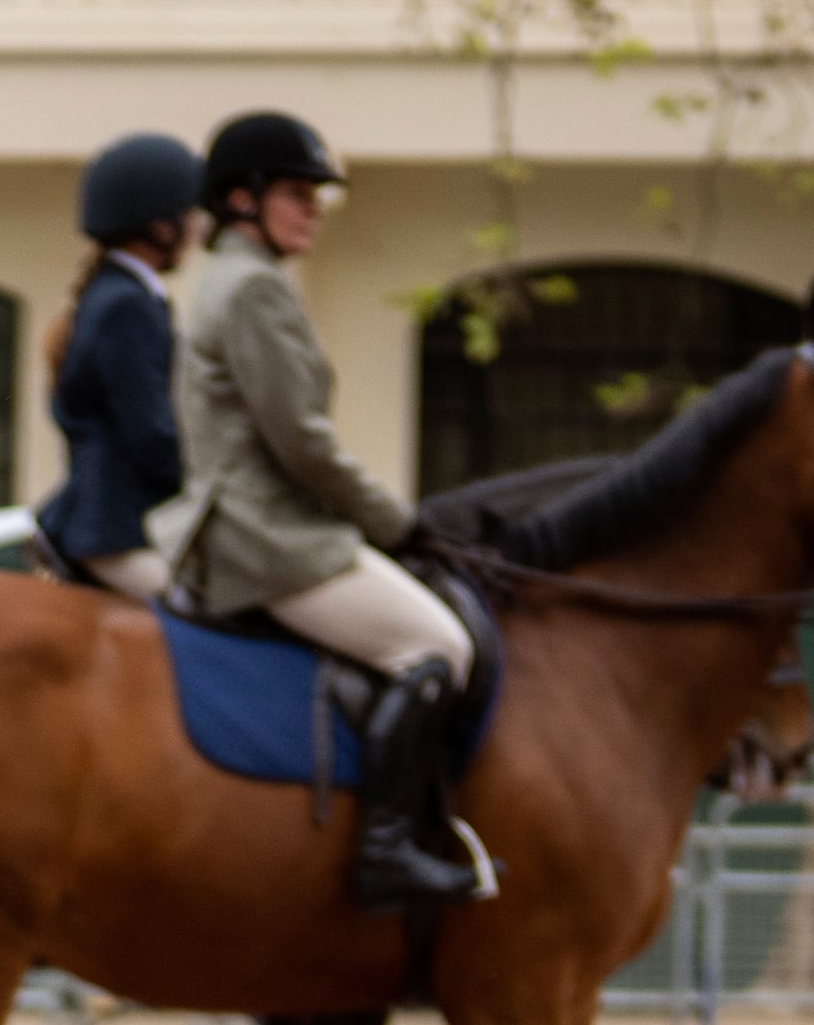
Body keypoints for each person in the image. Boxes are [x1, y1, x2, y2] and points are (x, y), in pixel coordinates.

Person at [149, 111, 493, 909]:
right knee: (435, 644)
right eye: (298, 195)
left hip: (256, 519)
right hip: (265, 535)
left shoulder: (232, 282)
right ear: (243, 199)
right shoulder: (256, 290)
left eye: (316, 198)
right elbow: (301, 444)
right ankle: (386, 849)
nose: (313, 211)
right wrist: (395, 521)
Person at [30, 131, 204, 603]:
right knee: (216, 623)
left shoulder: (117, 295)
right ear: (160, 227)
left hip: (111, 519)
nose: (196, 229)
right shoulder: (127, 304)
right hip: (118, 531)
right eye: (188, 216)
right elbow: (151, 432)